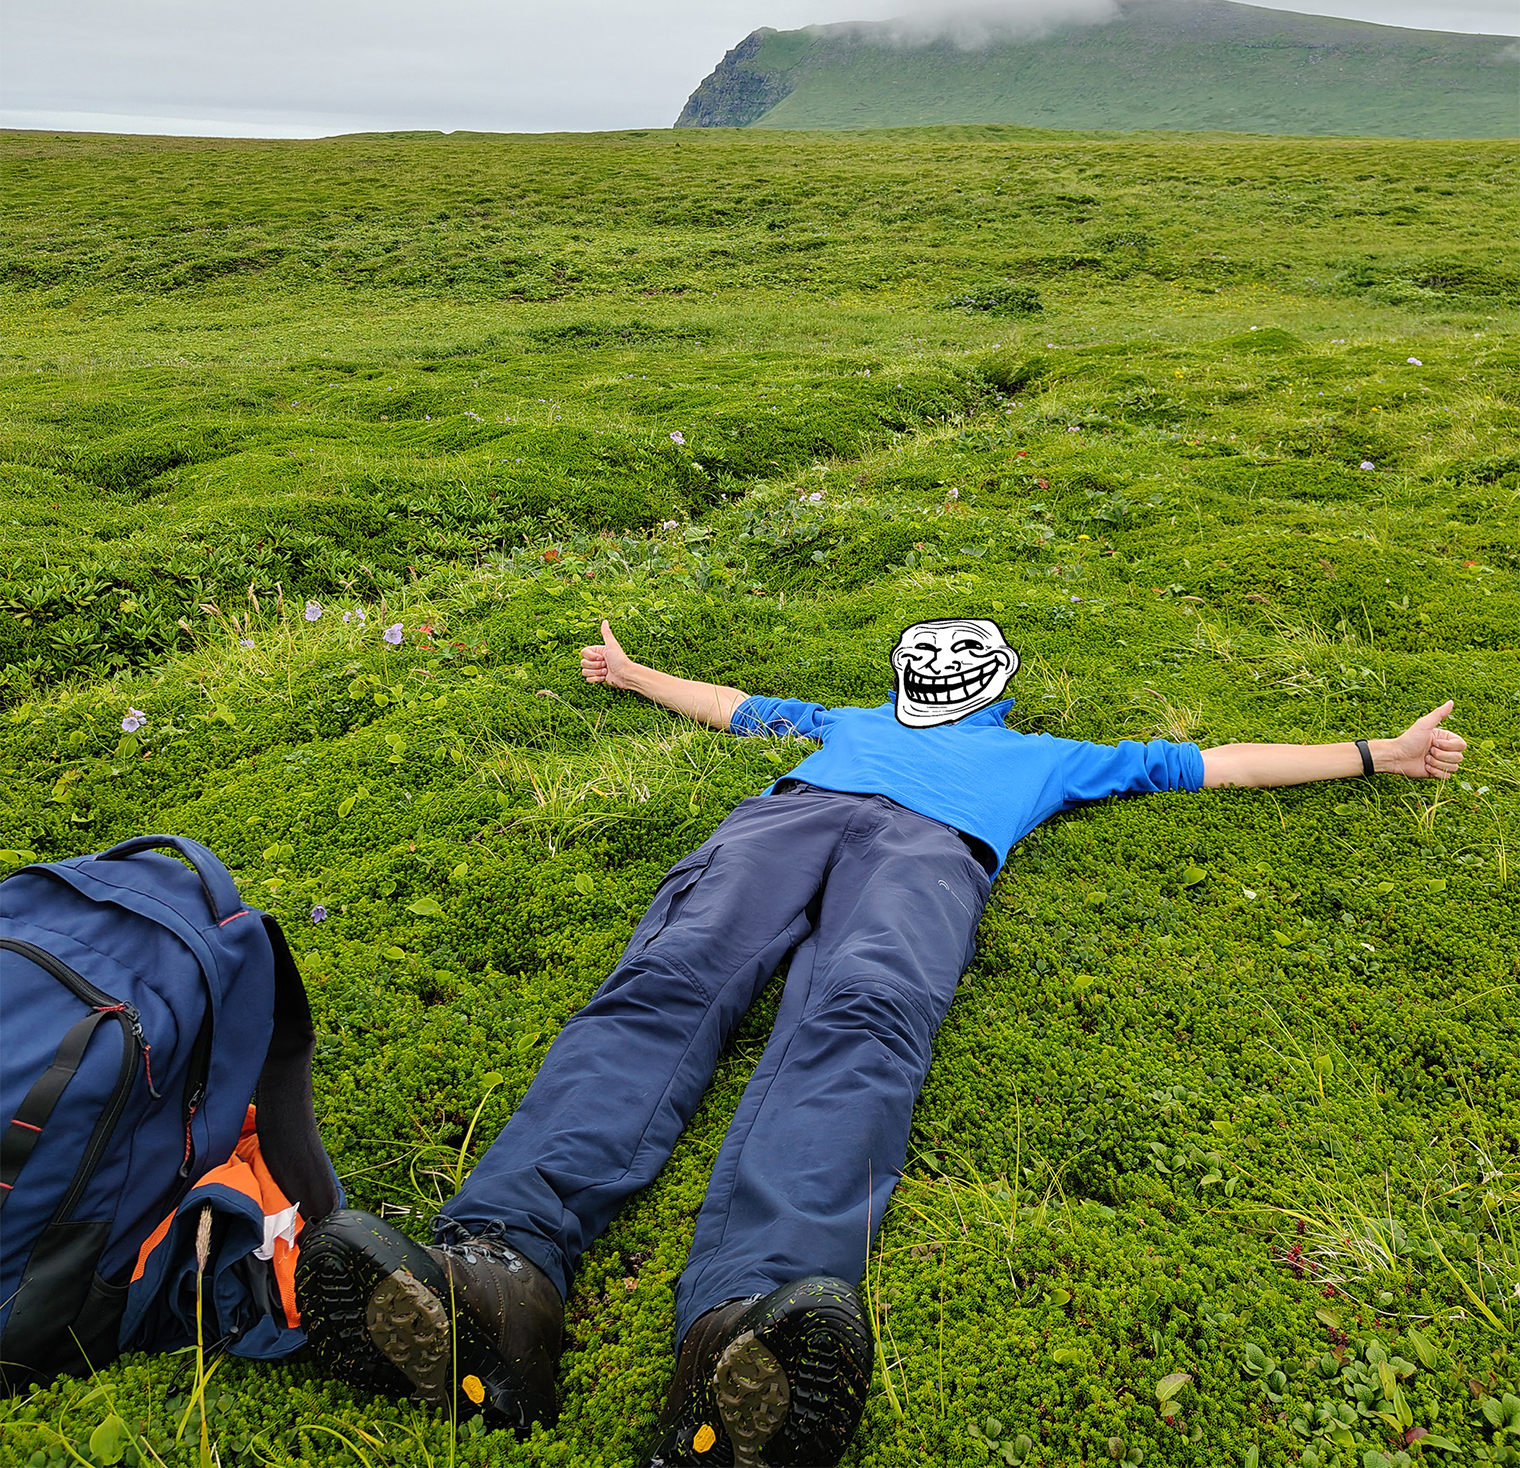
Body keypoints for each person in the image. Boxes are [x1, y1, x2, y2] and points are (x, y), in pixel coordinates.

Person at [295, 618, 1466, 1467]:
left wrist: (1376, 750)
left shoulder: (1046, 753)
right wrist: (629, 668)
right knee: (663, 984)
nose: (944, 671)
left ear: (993, 685)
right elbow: (728, 702)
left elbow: (1212, 763)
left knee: (856, 1030)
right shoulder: (840, 721)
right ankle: (493, 1281)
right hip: (785, 820)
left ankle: (746, 1334)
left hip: (929, 856)